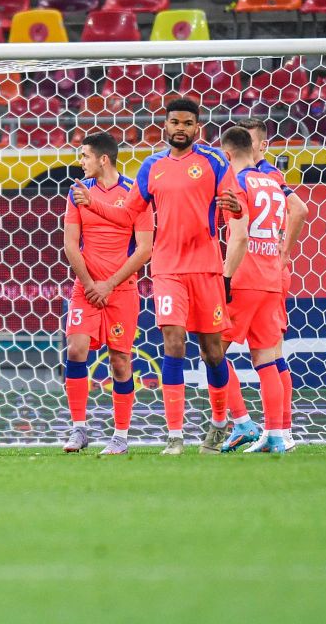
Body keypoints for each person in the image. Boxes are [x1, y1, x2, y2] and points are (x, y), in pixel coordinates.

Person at [72, 98, 242, 455]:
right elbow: (127, 215)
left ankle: (220, 420)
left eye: (187, 123)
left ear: (198, 127)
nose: (180, 128)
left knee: (213, 352)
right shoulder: (152, 167)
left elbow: (237, 202)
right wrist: (94, 204)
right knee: (173, 341)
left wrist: (240, 207)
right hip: (166, 268)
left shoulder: (213, 161)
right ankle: (175, 435)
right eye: (174, 122)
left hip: (206, 266)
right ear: (165, 126)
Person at [220, 118, 310, 452]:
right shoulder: (271, 181)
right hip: (271, 278)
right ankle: (277, 434)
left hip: (244, 278)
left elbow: (240, 235)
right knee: (269, 359)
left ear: (228, 155)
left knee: (212, 351)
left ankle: (242, 422)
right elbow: (295, 209)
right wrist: (281, 255)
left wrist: (225, 276)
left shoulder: (242, 183)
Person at [61, 133, 154, 455]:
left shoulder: (134, 194)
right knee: (76, 349)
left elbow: (145, 249)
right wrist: (89, 284)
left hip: (121, 289)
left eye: (85, 156)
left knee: (120, 361)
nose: (81, 161)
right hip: (85, 287)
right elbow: (70, 244)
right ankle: (79, 429)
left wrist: (109, 284)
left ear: (103, 159)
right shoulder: (77, 193)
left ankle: (121, 436)